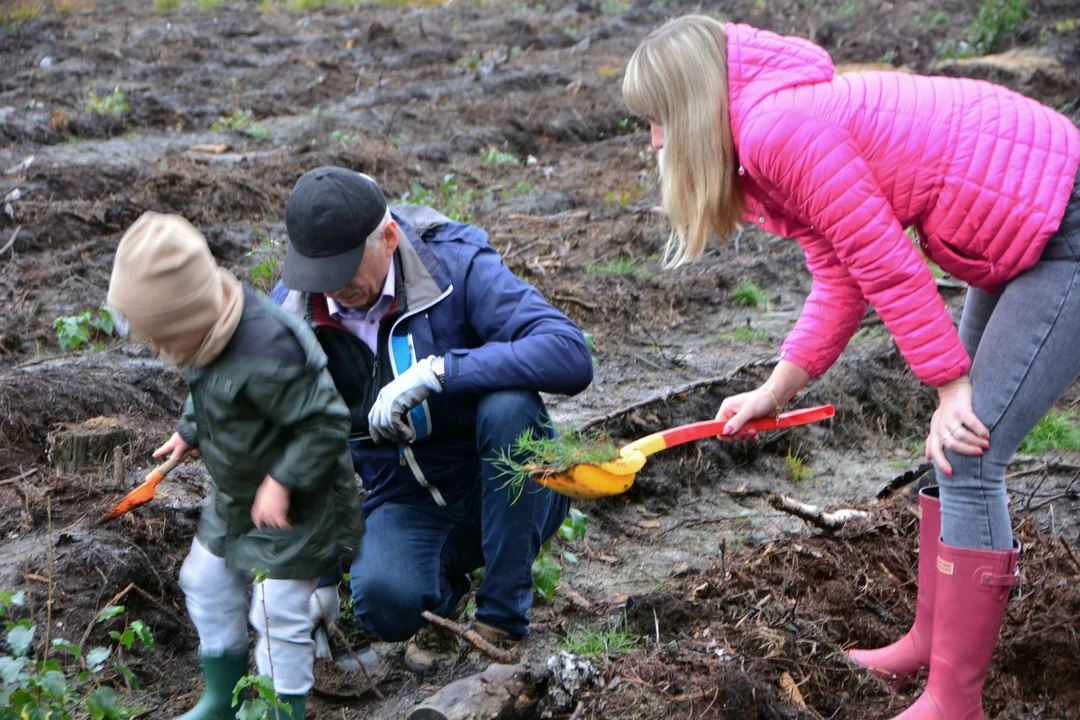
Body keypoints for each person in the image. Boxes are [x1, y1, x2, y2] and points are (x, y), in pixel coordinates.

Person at [622, 14, 1080, 720]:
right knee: (951, 455)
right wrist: (774, 391)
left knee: (969, 449)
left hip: (1059, 224)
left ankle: (955, 703)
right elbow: (841, 277)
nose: (655, 140)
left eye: (657, 120)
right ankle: (930, 642)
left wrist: (951, 387)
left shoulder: (780, 130)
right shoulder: (772, 128)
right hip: (1012, 225)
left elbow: (889, 267)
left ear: (690, 103)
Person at [273, 167, 594, 670]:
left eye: (344, 267)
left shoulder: (454, 266)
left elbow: (570, 354)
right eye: (319, 273)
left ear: (389, 237)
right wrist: (313, 579)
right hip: (406, 501)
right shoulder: (295, 316)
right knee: (384, 601)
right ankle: (444, 604)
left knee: (507, 404)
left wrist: (445, 371)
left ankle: (502, 615)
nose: (332, 289)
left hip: (509, 479)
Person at [106, 212, 364, 720]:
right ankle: (219, 698)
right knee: (203, 580)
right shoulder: (207, 333)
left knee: (276, 612)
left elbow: (326, 423)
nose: (156, 350)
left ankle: (279, 709)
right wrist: (190, 430)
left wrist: (283, 480)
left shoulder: (272, 349)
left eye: (161, 337)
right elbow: (206, 387)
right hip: (237, 493)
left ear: (191, 316)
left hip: (300, 504)